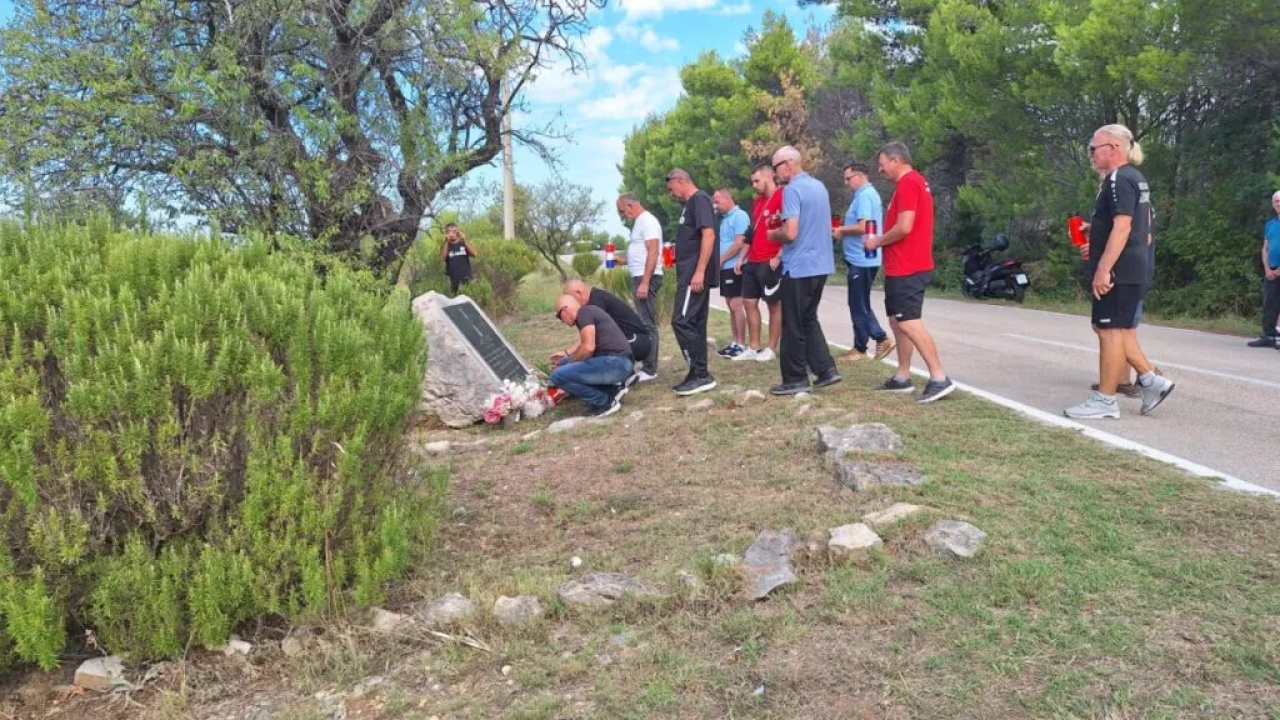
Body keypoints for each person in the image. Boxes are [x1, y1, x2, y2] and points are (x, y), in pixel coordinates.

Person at [1064, 124, 1175, 419]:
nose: (1090, 154)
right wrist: (1094, 228)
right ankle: (1151, 380)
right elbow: (1130, 223)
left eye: (1093, 148)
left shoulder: (1117, 178)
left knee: (1110, 330)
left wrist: (1103, 268)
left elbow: (1124, 226)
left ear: (1113, 147)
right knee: (1117, 328)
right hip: (1135, 266)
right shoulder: (1133, 178)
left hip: (1121, 269)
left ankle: (1105, 399)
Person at [864, 142, 955, 403]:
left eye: (882, 165)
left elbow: (904, 227)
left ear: (895, 160)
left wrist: (877, 241)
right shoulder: (909, 185)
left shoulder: (909, 183)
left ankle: (939, 377)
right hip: (898, 265)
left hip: (909, 265)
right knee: (896, 321)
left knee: (909, 321)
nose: (881, 171)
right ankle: (903, 376)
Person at [767, 145, 841, 395]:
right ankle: (826, 369)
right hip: (821, 265)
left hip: (799, 266)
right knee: (808, 318)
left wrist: (772, 233)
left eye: (776, 168)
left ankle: (795, 378)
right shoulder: (819, 187)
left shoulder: (792, 190)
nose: (775, 174)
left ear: (788, 164)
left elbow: (790, 232)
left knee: (793, 324)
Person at [832, 162, 894, 363]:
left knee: (858, 304)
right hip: (861, 258)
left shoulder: (866, 196)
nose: (846, 183)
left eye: (848, 178)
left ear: (859, 176)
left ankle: (879, 338)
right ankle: (860, 346)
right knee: (860, 303)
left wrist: (842, 230)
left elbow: (865, 226)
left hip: (863, 259)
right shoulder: (863, 196)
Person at [664, 168, 719, 396]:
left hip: (693, 276)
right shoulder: (688, 206)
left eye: (671, 188)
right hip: (687, 273)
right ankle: (698, 373)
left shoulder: (700, 200)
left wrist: (699, 272)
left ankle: (699, 374)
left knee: (681, 321)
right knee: (694, 323)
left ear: (680, 181)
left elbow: (709, 235)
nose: (670, 194)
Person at [549, 295, 634, 418]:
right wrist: (566, 358)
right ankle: (611, 391)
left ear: (565, 309)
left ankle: (605, 403)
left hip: (616, 363)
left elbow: (588, 348)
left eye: (559, 316)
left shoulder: (584, 312)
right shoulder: (588, 312)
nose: (562, 321)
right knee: (562, 365)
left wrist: (569, 365)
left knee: (557, 375)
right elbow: (585, 345)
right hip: (619, 361)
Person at [736, 163, 783, 363]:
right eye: (752, 181)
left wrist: (779, 256)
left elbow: (790, 228)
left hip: (770, 259)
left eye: (757, 180)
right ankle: (754, 346)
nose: (754, 185)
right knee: (748, 302)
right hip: (753, 259)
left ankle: (771, 348)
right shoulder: (757, 202)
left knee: (774, 304)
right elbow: (752, 233)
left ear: (769, 177)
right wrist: (741, 257)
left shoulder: (783, 196)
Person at [563, 278, 650, 384]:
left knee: (595, 348)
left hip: (636, 341)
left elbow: (590, 340)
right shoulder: (596, 297)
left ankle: (615, 379)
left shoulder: (595, 303)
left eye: (571, 299)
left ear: (579, 293)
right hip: (635, 341)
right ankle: (627, 375)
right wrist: (568, 353)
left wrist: (568, 354)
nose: (572, 303)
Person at [616, 193, 663, 379]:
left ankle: (650, 369)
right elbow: (642, 253)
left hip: (646, 278)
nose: (622, 215)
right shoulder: (639, 222)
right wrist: (624, 260)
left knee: (647, 324)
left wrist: (644, 282)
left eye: (622, 210)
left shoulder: (647, 221)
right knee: (643, 322)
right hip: (640, 276)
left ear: (630, 205)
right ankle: (647, 365)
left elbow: (653, 252)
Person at [713, 188, 750, 358]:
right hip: (725, 267)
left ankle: (741, 344)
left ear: (728, 199)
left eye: (717, 201)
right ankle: (734, 342)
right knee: (730, 306)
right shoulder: (725, 219)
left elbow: (739, 243)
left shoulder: (739, 216)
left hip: (735, 266)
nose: (716, 205)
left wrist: (721, 259)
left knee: (736, 305)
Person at [1247, 190, 1280, 347]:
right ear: (1273, 204)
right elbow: (1265, 248)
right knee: (1269, 303)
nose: (1279, 203)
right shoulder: (1270, 224)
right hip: (1271, 269)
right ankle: (1268, 336)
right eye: (1276, 201)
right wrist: (1267, 269)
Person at [439, 223, 475, 296]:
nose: (452, 233)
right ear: (446, 233)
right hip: (452, 280)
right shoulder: (445, 245)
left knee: (468, 300)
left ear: (458, 232)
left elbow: (474, 254)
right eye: (450, 231)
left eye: (455, 231)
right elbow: (442, 258)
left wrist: (464, 240)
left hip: (466, 278)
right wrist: (446, 241)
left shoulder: (463, 243)